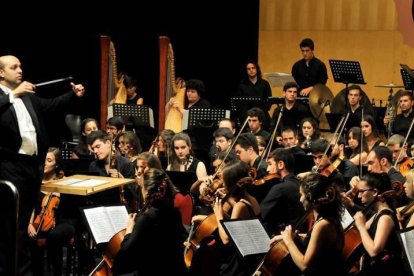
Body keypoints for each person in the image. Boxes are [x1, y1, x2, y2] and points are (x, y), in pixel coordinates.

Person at [0, 55, 85, 275]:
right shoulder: (6, 95)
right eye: (13, 67)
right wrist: (11, 95)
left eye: (20, 66)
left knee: (25, 223)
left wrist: (72, 95)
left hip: (31, 166)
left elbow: (51, 106)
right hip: (9, 165)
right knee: (11, 225)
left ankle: (25, 271)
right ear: (1, 73)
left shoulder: (28, 96)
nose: (20, 70)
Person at [111, 168, 188, 275]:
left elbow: (126, 249)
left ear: (147, 190)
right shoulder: (174, 213)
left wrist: (129, 229)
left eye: (142, 187)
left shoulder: (147, 218)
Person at [269, 173, 346, 275]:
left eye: (302, 194)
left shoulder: (322, 225)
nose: (300, 199)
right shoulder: (331, 219)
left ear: (310, 196)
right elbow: (317, 240)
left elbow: (305, 266)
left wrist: (288, 241)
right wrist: (293, 236)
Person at [28, 148, 75, 276]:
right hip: (40, 220)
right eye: (44, 159)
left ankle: (57, 272)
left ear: (57, 164)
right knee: (32, 237)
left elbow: (70, 209)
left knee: (54, 236)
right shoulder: (35, 181)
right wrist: (29, 224)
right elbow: (30, 206)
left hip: (62, 221)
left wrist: (61, 192)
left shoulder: (64, 182)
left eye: (49, 160)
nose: (44, 163)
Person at [213, 161, 261, 276]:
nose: (222, 185)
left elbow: (226, 239)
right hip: (249, 258)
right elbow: (241, 225)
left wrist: (218, 214)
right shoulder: (252, 199)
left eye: (224, 182)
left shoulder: (240, 206)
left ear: (231, 183)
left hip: (238, 265)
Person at [353, 173, 405, 275]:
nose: (358, 196)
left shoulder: (385, 217)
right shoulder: (378, 214)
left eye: (361, 192)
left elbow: (374, 252)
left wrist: (361, 226)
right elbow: (357, 232)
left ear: (375, 192)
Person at [260, 148, 305, 236]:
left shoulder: (280, 188)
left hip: (286, 237)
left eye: (269, 164)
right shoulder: (300, 183)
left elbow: (261, 214)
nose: (267, 169)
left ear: (280, 164)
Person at [237, 61, 272, 126]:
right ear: (246, 71)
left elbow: (269, 101)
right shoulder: (242, 85)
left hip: (262, 115)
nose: (251, 70)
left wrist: (260, 112)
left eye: (253, 68)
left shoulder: (265, 84)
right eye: (248, 69)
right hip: (246, 116)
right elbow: (239, 103)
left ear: (257, 69)